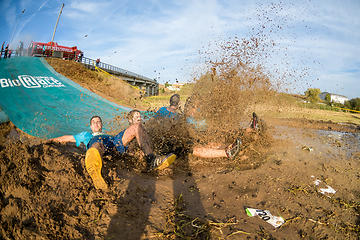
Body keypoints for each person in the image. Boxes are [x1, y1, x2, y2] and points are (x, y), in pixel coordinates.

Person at [48, 110, 176, 190]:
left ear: (102, 124)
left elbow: (124, 146)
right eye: (94, 122)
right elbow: (67, 138)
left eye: (99, 122)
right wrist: (50, 140)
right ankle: (95, 170)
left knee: (136, 126)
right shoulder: (86, 135)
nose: (97, 123)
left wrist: (135, 153)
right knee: (97, 144)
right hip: (99, 145)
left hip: (114, 142)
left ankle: (151, 160)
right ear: (90, 126)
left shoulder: (109, 134)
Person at [152, 93, 242, 160]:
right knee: (195, 147)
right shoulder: (179, 117)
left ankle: (234, 149)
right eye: (193, 107)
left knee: (205, 143)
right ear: (179, 103)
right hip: (175, 146)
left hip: (180, 141)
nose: (194, 110)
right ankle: (228, 152)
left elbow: (153, 121)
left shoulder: (169, 112)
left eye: (196, 107)